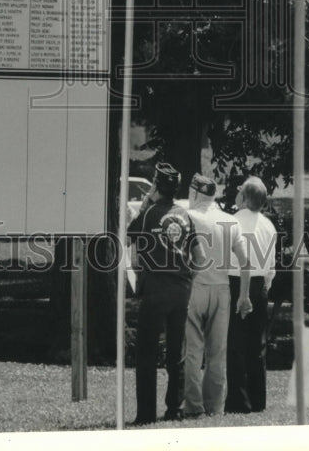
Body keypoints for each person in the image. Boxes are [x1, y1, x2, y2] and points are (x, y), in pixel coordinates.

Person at [127, 162, 193, 425]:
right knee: (177, 351)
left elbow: (130, 235)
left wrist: (145, 204)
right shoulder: (184, 214)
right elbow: (194, 250)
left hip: (156, 288)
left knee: (147, 351)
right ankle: (174, 409)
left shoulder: (149, 213)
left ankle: (145, 413)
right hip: (181, 288)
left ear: (156, 186)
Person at [182, 174, 252, 418]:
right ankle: (214, 407)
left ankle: (193, 406)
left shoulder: (189, 217)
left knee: (192, 351)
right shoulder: (230, 222)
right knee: (217, 353)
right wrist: (244, 296)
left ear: (193, 194)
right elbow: (246, 263)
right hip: (223, 290)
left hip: (196, 286)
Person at [225, 176, 277, 414]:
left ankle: (238, 400)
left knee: (235, 342)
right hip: (260, 285)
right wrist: (265, 285)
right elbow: (271, 266)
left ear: (244, 198)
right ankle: (258, 400)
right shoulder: (268, 226)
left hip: (235, 282)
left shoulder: (232, 222)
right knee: (257, 345)